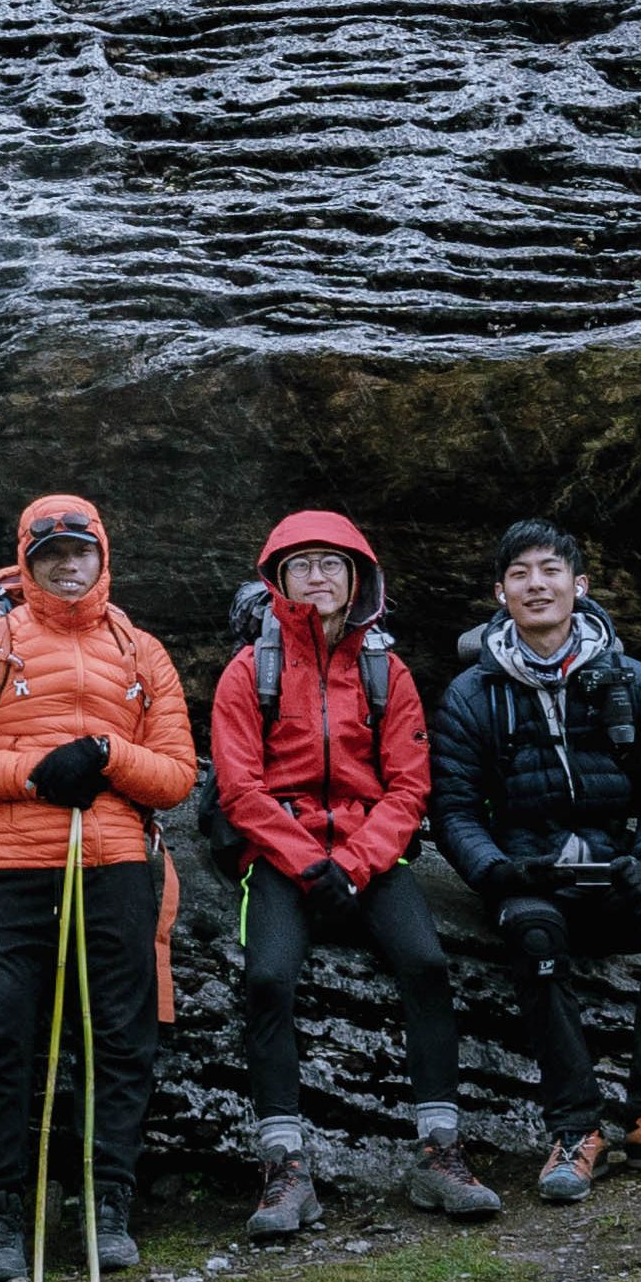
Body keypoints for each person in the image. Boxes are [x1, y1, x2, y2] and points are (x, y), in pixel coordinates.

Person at [0, 493, 197, 1282]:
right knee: (2, 1032)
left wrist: (106, 753)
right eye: (51, 554)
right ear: (27, 559)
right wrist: (36, 776)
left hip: (114, 866)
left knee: (119, 1036)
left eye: (81, 550)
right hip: (9, 866)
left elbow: (178, 773)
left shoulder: (142, 650)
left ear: (102, 555)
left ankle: (106, 1202)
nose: (68, 564)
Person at [207, 510, 495, 1232]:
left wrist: (357, 862)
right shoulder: (250, 670)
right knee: (268, 976)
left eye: (332, 563)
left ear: (358, 578)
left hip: (369, 851)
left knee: (427, 964)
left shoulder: (384, 668)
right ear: (277, 578)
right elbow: (240, 788)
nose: (317, 575)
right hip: (281, 855)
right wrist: (308, 862)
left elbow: (409, 784)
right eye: (301, 563)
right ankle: (285, 1167)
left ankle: (438, 1154)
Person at [429, 519, 641, 1204]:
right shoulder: (473, 694)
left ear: (579, 584)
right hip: (529, 876)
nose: (537, 584)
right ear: (500, 593)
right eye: (521, 573)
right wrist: (494, 870)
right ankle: (576, 1128)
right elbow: (455, 810)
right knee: (534, 936)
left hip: (620, 869)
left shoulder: (632, 681)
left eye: (551, 570)